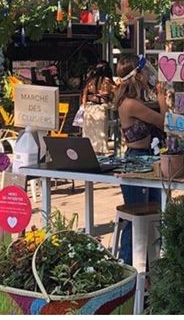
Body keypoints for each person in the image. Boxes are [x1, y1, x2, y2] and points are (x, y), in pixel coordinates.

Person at [112, 54, 166, 266]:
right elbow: (164, 122)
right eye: (144, 72)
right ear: (138, 76)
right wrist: (162, 100)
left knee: (155, 214)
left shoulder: (137, 100)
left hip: (150, 159)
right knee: (136, 218)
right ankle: (128, 267)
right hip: (137, 161)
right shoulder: (130, 104)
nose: (148, 75)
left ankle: (150, 268)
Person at [78, 61, 115, 155]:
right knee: (100, 136)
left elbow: (84, 94)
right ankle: (100, 155)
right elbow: (114, 92)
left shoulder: (90, 80)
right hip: (100, 109)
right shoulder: (107, 81)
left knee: (88, 134)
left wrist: (84, 106)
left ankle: (88, 153)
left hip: (89, 109)